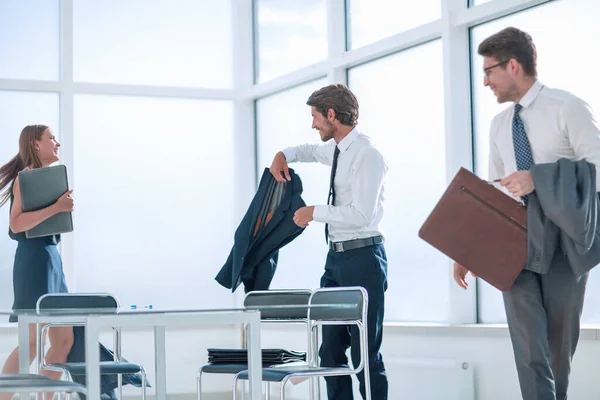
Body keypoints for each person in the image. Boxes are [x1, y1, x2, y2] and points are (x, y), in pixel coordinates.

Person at [453, 27, 600, 400]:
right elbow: (494, 191)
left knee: (556, 351)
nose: (485, 81)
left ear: (513, 66)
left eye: (489, 71)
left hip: (564, 241)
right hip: (513, 241)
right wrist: (468, 250)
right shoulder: (499, 125)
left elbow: (598, 168)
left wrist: (538, 178)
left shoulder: (567, 107)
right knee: (529, 350)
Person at [269, 84, 389, 400]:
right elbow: (308, 151)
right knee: (330, 352)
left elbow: (361, 215)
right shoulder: (336, 150)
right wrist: (283, 154)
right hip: (335, 261)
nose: (313, 124)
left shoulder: (367, 155)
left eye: (315, 117)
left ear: (332, 115)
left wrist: (314, 213)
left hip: (364, 259)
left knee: (365, 356)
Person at [0, 124, 75, 399]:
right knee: (32, 342)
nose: (57, 143)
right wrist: (58, 207)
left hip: (51, 260)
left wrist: (60, 208)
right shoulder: (26, 178)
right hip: (34, 263)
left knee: (64, 339)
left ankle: (46, 397)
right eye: (51, 138)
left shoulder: (45, 178)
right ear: (35, 144)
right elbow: (16, 224)